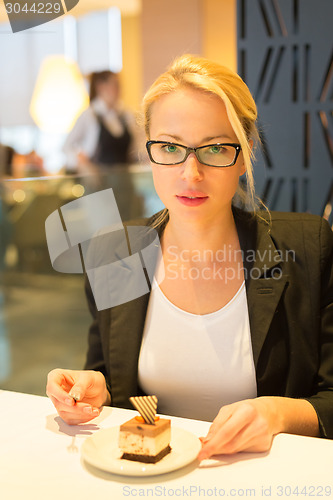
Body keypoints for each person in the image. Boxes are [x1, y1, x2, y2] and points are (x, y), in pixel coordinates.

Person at [47, 55, 333, 459]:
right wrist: (92, 387)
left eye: (215, 148)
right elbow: (111, 374)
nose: (191, 173)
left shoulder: (307, 247)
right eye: (170, 147)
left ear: (245, 152)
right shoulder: (117, 253)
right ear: (149, 153)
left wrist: (277, 413)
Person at [62, 70, 142, 172]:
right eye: (115, 85)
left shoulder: (126, 115)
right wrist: (81, 162)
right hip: (99, 183)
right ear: (100, 87)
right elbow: (67, 147)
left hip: (125, 179)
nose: (119, 90)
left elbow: (135, 149)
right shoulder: (89, 115)